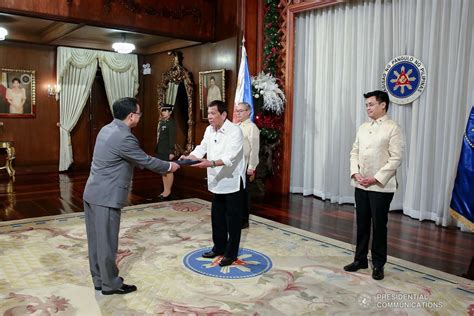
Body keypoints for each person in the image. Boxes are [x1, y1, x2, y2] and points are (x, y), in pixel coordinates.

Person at [83, 97, 180, 295]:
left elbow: (134, 160)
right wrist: (170, 166)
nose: (140, 116)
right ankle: (111, 285)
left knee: (96, 242)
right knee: (108, 243)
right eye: (139, 113)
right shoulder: (124, 137)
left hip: (93, 192)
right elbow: (144, 160)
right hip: (106, 197)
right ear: (131, 116)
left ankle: (100, 280)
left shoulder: (107, 129)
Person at [344, 90, 404, 281]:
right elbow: (354, 152)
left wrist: (376, 178)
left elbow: (396, 159)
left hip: (380, 186)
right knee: (361, 223)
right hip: (361, 184)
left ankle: (378, 264)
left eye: (371, 104)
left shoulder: (392, 128)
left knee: (379, 226)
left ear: (383, 105)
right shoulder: (362, 127)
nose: (367, 108)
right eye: (366, 105)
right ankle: (360, 259)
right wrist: (355, 172)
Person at [180, 100, 246, 267]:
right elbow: (202, 148)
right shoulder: (209, 130)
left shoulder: (235, 131)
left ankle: (231, 254)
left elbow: (231, 156)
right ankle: (219, 247)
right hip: (216, 181)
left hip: (232, 182)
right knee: (217, 218)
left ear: (223, 115)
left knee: (233, 221)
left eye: (213, 113)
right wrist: (190, 158)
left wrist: (210, 163)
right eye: (208, 113)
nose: (209, 117)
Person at [235, 102, 260, 229]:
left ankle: (244, 220)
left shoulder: (252, 128)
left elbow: (254, 149)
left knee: (244, 194)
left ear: (248, 112)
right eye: (237, 110)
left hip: (245, 166)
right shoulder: (236, 126)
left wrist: (252, 167)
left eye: (240, 111)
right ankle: (236, 216)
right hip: (236, 166)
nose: (237, 113)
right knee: (237, 193)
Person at [155, 104, 177, 200]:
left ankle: (168, 191)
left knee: (169, 170)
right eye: (162, 110)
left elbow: (172, 138)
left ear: (170, 112)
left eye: (165, 111)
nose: (163, 112)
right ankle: (165, 190)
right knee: (163, 170)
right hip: (161, 149)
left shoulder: (171, 123)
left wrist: (171, 151)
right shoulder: (162, 123)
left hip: (167, 150)